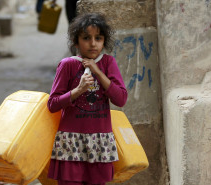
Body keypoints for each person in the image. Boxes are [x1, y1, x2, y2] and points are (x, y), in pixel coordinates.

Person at [47, 13, 128, 185]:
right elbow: (53, 104)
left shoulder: (108, 63)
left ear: (104, 41)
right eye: (86, 38)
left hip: (100, 142)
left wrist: (98, 72)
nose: (93, 43)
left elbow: (120, 99)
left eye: (98, 38)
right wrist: (78, 90)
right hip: (71, 141)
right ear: (76, 42)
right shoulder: (68, 64)